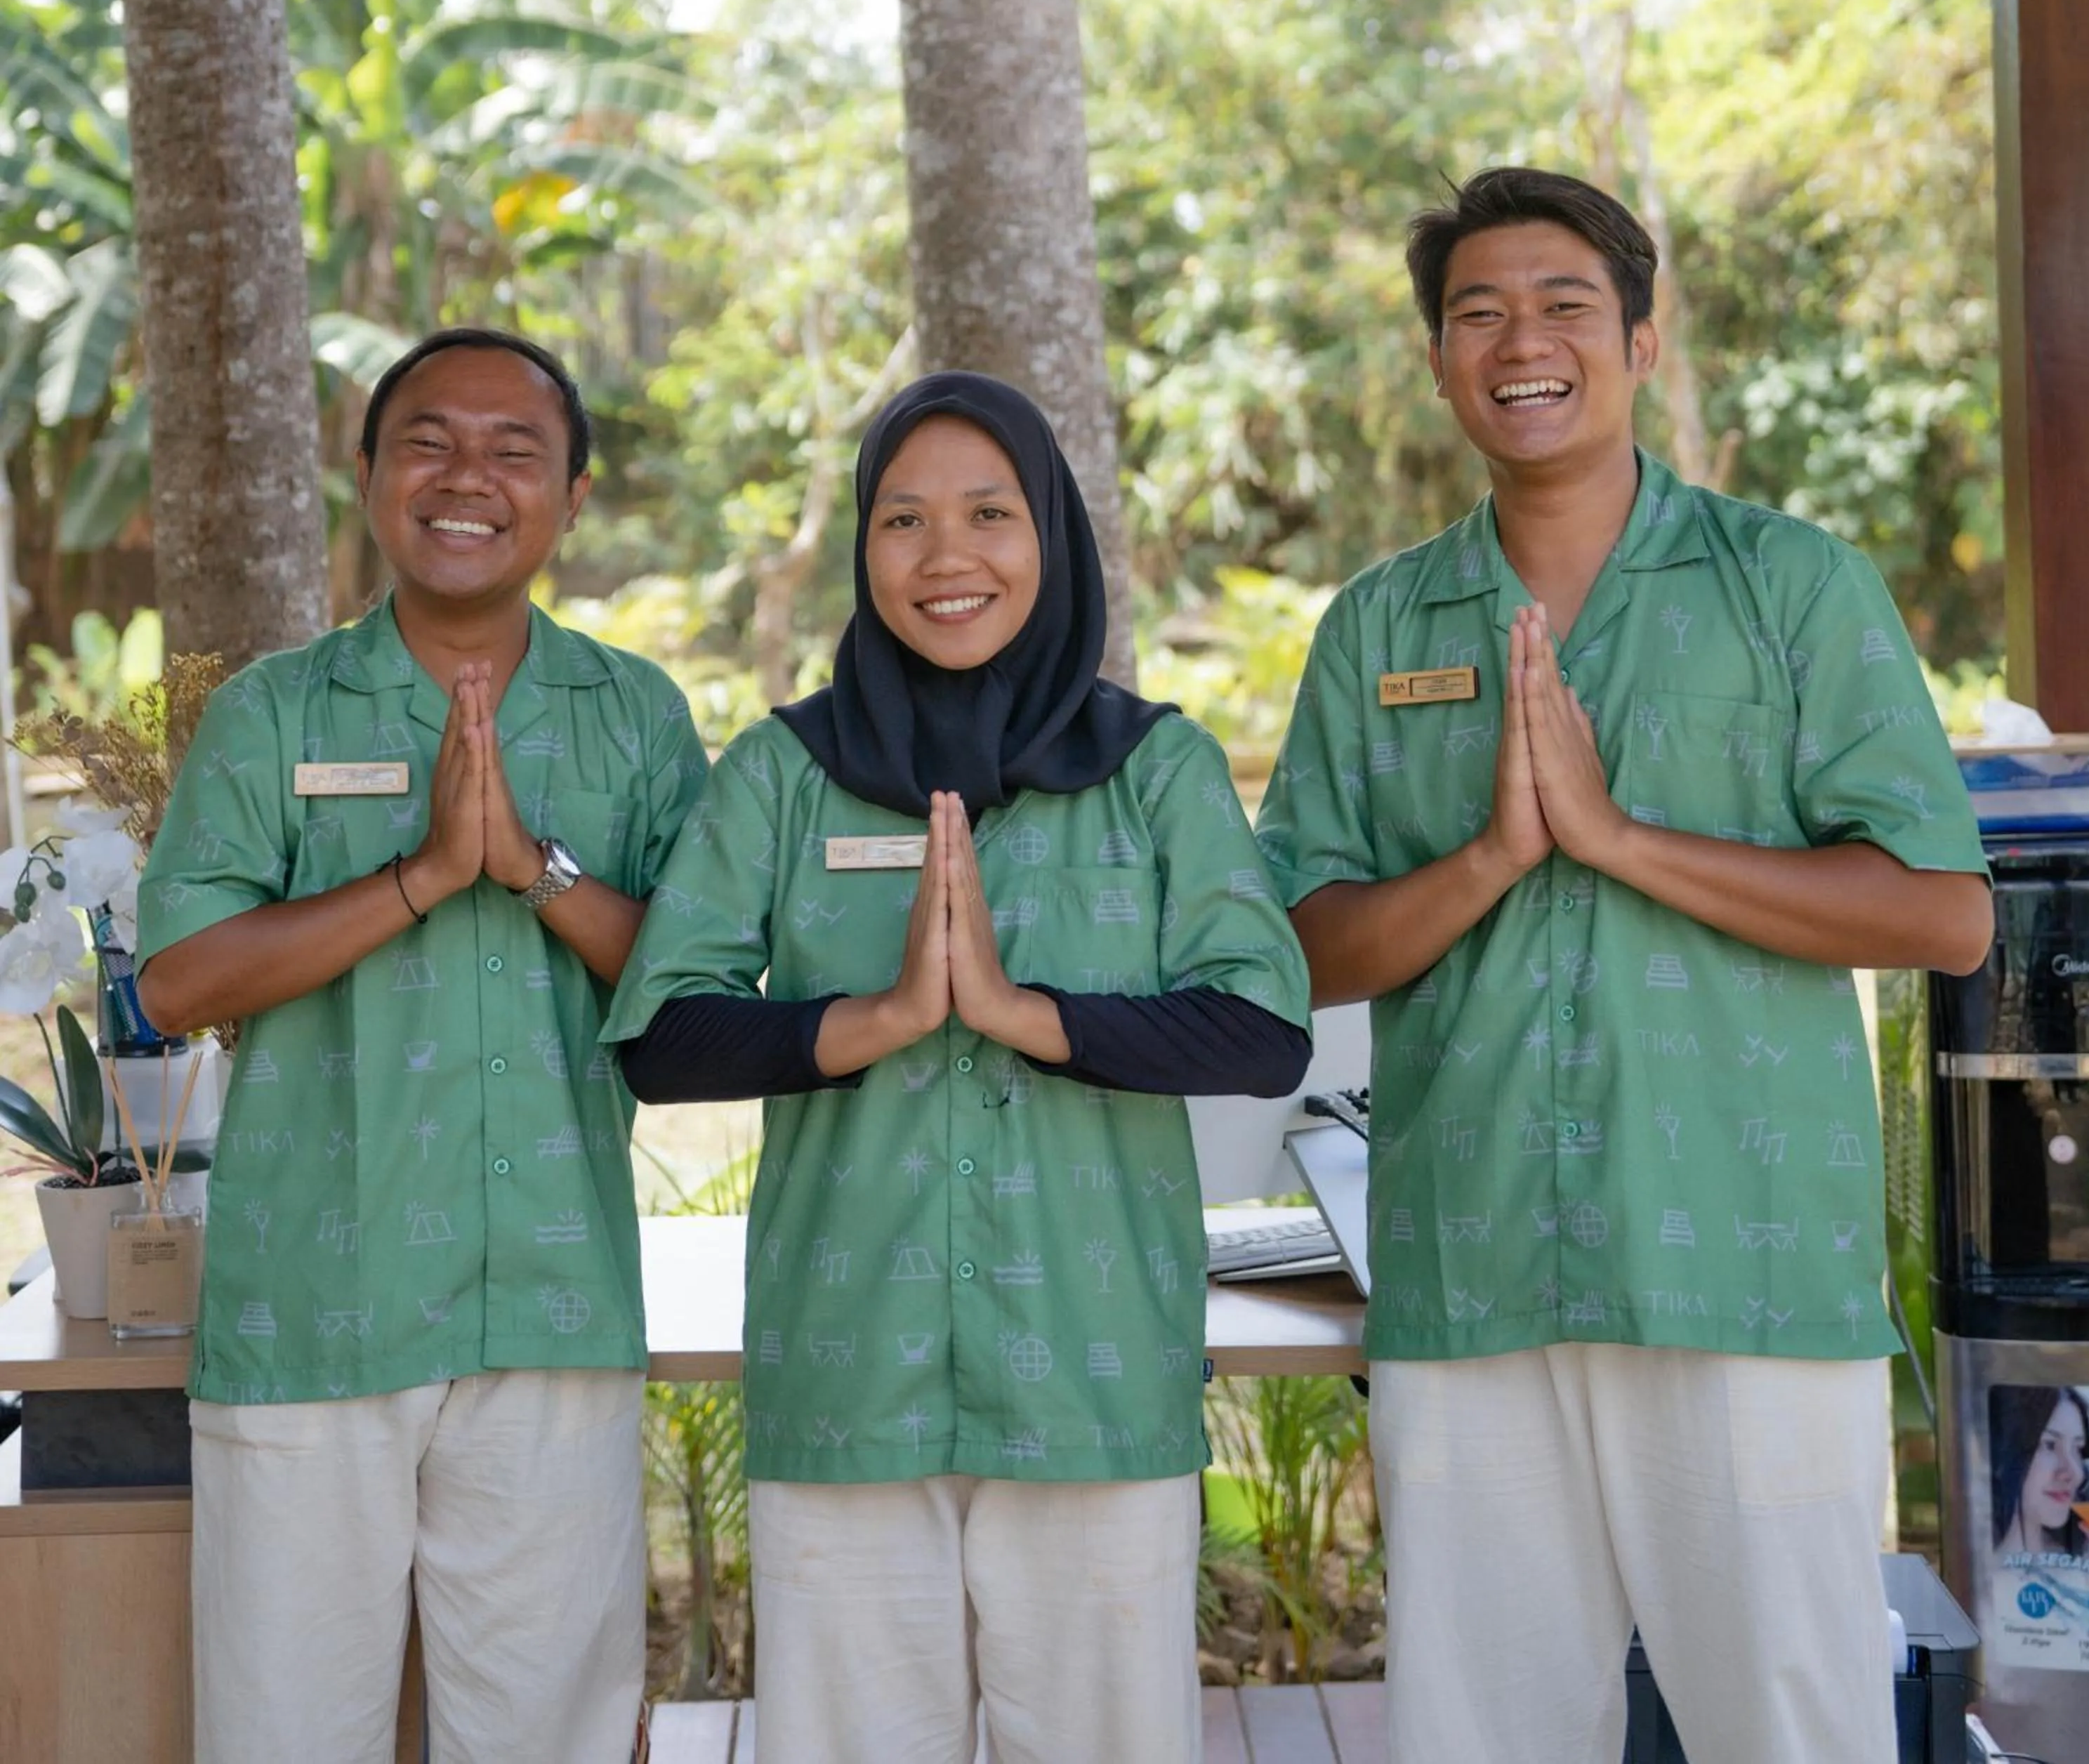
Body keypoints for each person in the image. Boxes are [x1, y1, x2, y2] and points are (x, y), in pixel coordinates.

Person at [1255, 169, 1993, 1764]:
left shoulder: (1789, 586)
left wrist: (1613, 835)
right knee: (1481, 1736)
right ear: (1439, 361)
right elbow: (1292, 950)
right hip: (1470, 1272)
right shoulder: (1379, 625)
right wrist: (1491, 858)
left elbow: (1941, 910)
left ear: (1641, 338)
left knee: (1787, 1726)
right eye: (1476, 313)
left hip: (1737, 1267)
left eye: (1562, 303)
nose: (1519, 339)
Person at [607, 371, 1312, 1764]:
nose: (948, 557)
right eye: (904, 520)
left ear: (1052, 534)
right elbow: (661, 1036)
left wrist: (1014, 1009)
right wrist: (870, 1022)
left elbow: (1262, 1026)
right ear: (864, 554)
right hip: (847, 1366)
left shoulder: (1154, 770)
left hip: (1096, 1385)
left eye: (991, 513)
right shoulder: (784, 773)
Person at [136, 328, 708, 1764]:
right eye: (430, 443)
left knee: (548, 1738)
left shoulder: (635, 716)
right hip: (313, 1304)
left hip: (553, 1310)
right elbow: (183, 976)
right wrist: (419, 880)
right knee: (283, 1732)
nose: (471, 478)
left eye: (517, 451)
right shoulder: (274, 712)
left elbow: (698, 993)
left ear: (574, 498)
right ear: (371, 478)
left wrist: (533, 871)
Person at [1992, 1386, 2089, 1567]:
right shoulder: (1979, 1578)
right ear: (2005, 1454)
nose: (2074, 1473)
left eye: (2077, 1449)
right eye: (2050, 1445)